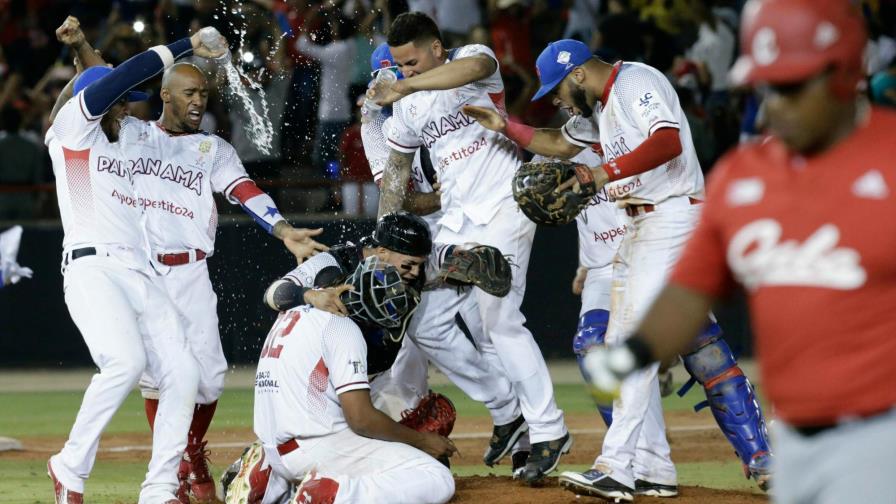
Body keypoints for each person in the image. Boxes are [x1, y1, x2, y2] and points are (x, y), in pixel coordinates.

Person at [583, 2, 894, 504]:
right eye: (765, 87)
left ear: (847, 74)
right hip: (797, 438)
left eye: (792, 86)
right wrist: (633, 355)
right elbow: (689, 293)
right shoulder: (745, 177)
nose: (774, 106)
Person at [462, 38, 772, 500]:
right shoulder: (599, 110)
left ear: (580, 73)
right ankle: (653, 470)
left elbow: (665, 141)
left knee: (630, 344)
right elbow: (558, 144)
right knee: (616, 344)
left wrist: (603, 173)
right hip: (641, 226)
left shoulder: (636, 82)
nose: (559, 100)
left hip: (672, 215)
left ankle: (616, 466)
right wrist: (505, 126)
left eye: (560, 89)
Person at [113, 53, 327, 504]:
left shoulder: (213, 148)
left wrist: (284, 230)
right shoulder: (130, 134)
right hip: (143, 271)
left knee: (209, 377)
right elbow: (101, 88)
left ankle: (189, 449)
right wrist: (79, 50)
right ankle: (175, 472)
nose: (198, 101)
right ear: (165, 95)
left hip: (191, 271)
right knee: (159, 378)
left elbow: (244, 189)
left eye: (204, 94)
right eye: (189, 93)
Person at [374, 11, 570, 484]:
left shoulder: (472, 60)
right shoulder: (409, 106)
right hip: (458, 222)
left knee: (499, 321)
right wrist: (384, 235)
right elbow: (397, 171)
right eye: (399, 66)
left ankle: (549, 429)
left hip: (505, 205)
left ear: (437, 48)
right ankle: (507, 409)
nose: (407, 72)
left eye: (413, 62)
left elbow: (473, 70)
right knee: (419, 315)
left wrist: (404, 87)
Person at [44, 16, 224, 504]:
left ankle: (160, 488)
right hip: (91, 267)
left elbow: (107, 80)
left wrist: (84, 46)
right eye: (121, 104)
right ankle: (69, 466)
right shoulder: (72, 132)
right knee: (125, 362)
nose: (128, 110)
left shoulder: (118, 140)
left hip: (139, 271)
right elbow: (111, 79)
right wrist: (188, 45)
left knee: (184, 373)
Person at [361, 43, 528, 471]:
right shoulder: (376, 125)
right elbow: (398, 196)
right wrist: (430, 202)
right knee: (420, 331)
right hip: (427, 240)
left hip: (470, 223)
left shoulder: (440, 93)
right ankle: (487, 416)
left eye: (398, 72)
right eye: (385, 74)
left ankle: (521, 428)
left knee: (489, 326)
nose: (391, 82)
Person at [255, 256, 456, 504]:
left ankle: (272, 483)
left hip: (276, 448)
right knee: (437, 477)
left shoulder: (290, 315)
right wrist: (423, 441)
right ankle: (332, 495)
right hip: (317, 450)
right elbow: (361, 420)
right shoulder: (342, 326)